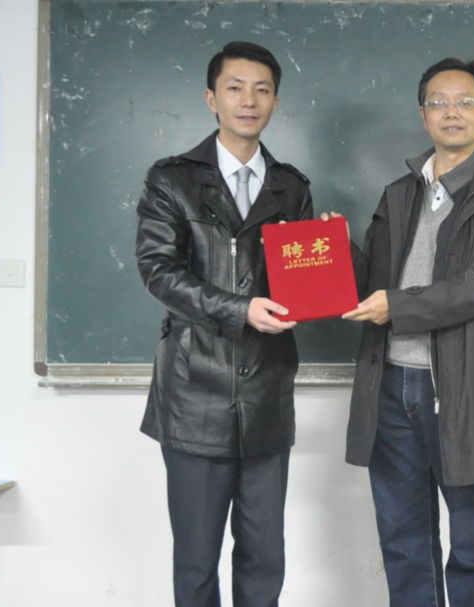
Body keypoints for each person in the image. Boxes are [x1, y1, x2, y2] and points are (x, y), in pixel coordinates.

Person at [342, 58, 474, 606]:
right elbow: (376, 281)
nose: (451, 112)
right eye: (438, 102)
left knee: (471, 543)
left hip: (463, 385)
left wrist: (399, 306)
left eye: (465, 101)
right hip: (391, 386)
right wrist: (330, 251)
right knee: (404, 541)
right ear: (422, 114)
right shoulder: (398, 193)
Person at [135, 41, 312, 607]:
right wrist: (239, 310)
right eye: (235, 88)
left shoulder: (292, 187)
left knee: (264, 559)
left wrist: (326, 255)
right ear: (212, 98)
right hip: (194, 395)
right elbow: (158, 270)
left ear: (276, 102)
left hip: (266, 392)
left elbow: (299, 287)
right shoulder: (172, 180)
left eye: (262, 90)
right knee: (196, 561)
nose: (248, 100)